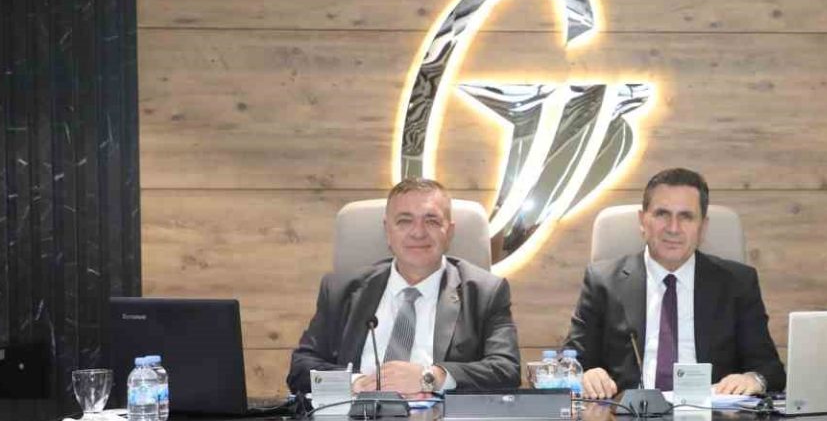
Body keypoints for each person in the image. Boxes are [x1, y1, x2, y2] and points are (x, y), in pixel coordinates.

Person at [564, 167, 785, 400]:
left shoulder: (736, 283)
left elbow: (770, 369)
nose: (673, 228)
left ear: (703, 227)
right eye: (662, 214)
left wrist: (753, 379)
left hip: (713, 416)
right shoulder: (604, 281)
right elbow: (569, 362)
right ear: (642, 221)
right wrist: (585, 374)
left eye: (686, 216)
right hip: (627, 416)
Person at [287, 178, 520, 396]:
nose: (418, 232)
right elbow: (301, 368)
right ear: (387, 231)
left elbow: (506, 370)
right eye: (404, 221)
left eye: (431, 221)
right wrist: (356, 383)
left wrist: (430, 377)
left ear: (449, 232)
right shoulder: (341, 290)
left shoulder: (485, 293)